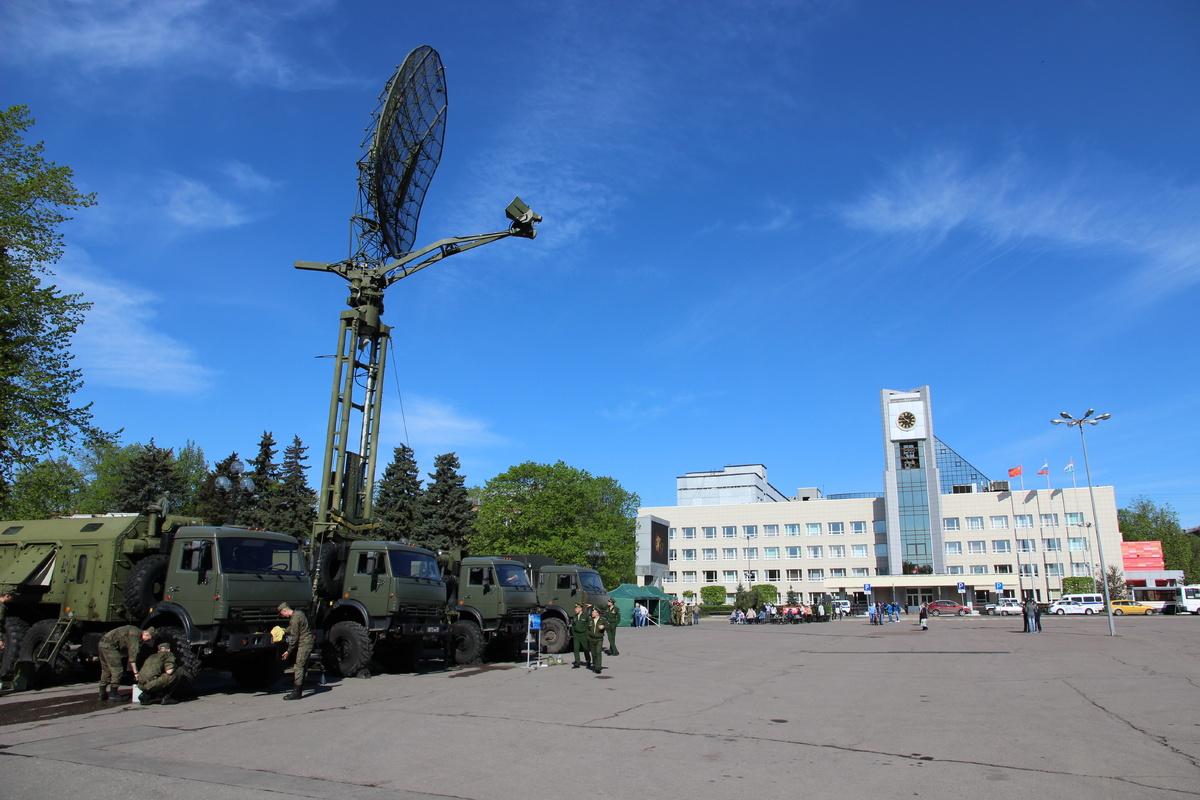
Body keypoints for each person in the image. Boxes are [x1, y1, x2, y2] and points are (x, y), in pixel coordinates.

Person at [98, 625, 155, 702]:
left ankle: (102, 693)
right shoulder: (136, 638)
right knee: (118, 670)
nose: (147, 641)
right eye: (149, 639)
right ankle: (113, 694)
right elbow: (132, 659)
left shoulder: (134, 629)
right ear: (146, 634)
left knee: (106, 669)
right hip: (110, 646)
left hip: (102, 643)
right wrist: (136, 673)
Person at [278, 602, 312, 700]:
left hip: (304, 643)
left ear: (284, 610)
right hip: (308, 642)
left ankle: (296, 693)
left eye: (282, 614)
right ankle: (299, 689)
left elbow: (295, 636)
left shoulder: (295, 618)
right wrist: (283, 631)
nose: (282, 616)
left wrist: (288, 651)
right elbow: (293, 627)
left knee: (298, 667)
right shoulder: (298, 613)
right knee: (303, 667)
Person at [570, 603, 592, 668]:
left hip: (583, 634)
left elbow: (589, 624)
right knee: (576, 649)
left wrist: (587, 633)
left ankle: (588, 660)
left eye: (577, 608)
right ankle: (577, 662)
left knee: (585, 648)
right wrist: (573, 632)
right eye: (575, 608)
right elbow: (573, 625)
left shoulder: (585, 616)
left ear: (580, 609)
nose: (575, 610)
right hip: (576, 635)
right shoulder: (575, 616)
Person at [587, 607, 605, 674]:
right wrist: (588, 636)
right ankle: (595, 664)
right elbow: (587, 628)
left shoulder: (602, 620)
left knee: (598, 652)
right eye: (592, 612)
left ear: (597, 613)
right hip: (591, 638)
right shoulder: (590, 620)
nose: (592, 613)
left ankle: (598, 667)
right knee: (593, 653)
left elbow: (609, 627)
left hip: (599, 638)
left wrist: (604, 627)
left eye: (593, 612)